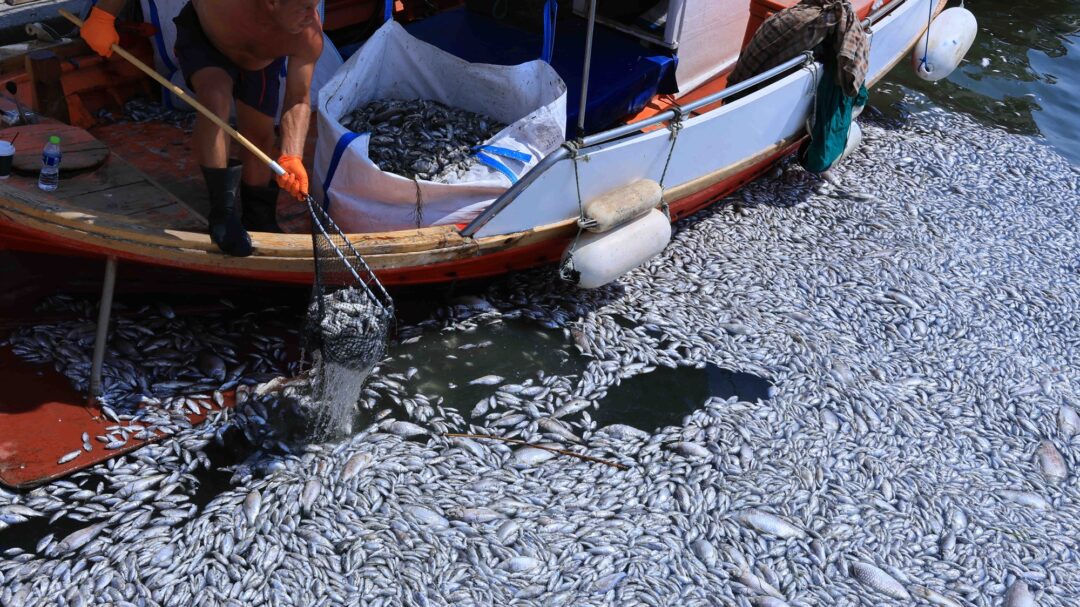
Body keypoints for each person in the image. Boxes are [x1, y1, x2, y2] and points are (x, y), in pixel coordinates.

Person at [80, 0, 323, 257]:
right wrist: (104, 15)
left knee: (260, 134)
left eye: (315, 5)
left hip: (261, 59)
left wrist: (291, 155)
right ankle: (223, 213)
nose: (312, 15)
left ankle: (259, 216)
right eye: (305, 7)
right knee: (215, 101)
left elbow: (298, 98)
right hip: (206, 39)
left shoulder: (307, 35)